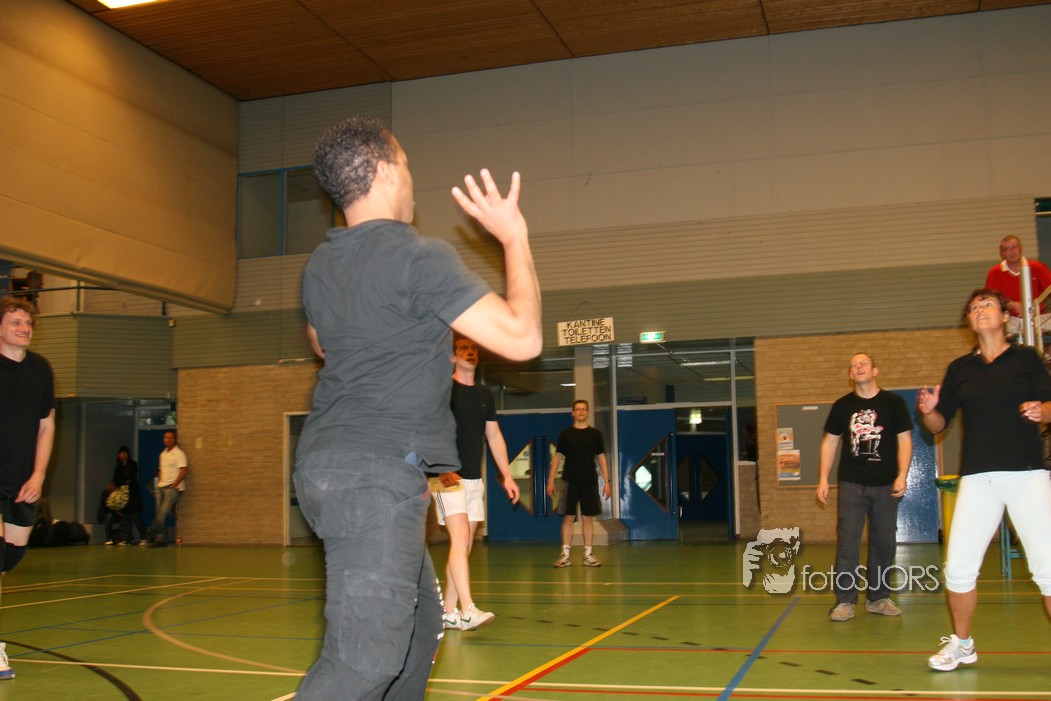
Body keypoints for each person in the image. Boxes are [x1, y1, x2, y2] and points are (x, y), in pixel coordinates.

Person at [293, 115, 542, 700]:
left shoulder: (320, 264)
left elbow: (322, 342)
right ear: (385, 171)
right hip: (371, 476)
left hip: (328, 465)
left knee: (419, 629)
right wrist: (514, 237)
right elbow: (523, 337)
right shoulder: (416, 256)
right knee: (364, 662)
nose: (411, 179)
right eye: (405, 164)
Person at [917, 288, 1051, 671]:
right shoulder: (961, 369)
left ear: (1005, 317)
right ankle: (962, 645)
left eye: (987, 304)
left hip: (1027, 474)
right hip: (977, 479)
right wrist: (928, 411)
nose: (979, 310)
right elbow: (937, 425)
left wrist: (1041, 411)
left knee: (1048, 568)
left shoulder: (1027, 358)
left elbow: (1050, 406)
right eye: (974, 307)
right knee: (958, 567)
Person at [432, 336, 520, 632]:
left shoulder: (484, 394)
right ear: (452, 357)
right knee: (459, 540)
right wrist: (441, 467)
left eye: (473, 349)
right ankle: (468, 608)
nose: (470, 352)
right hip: (447, 478)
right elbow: (428, 428)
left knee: (465, 545)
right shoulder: (443, 390)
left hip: (473, 478)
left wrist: (507, 475)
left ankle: (448, 612)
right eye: (463, 349)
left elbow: (493, 436)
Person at [816, 353, 912, 622]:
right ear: (850, 375)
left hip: (885, 485)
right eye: (853, 365)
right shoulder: (842, 405)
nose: (858, 367)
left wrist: (902, 475)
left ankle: (878, 598)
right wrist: (823, 478)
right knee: (848, 541)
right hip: (852, 484)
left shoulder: (893, 403)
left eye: (863, 363)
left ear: (875, 371)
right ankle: (845, 601)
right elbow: (830, 442)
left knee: (884, 542)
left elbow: (905, 440)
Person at [0, 295, 56, 680]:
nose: (24, 328)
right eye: (15, 322)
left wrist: (38, 475)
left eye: (28, 323)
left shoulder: (40, 369)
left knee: (10, 558)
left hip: (22, 482)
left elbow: (46, 425)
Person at [547, 399, 611, 568]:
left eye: (584, 409)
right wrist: (550, 480)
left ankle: (588, 555)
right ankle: (565, 555)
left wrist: (607, 482)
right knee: (568, 518)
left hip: (590, 481)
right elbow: (558, 457)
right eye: (578, 409)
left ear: (587, 413)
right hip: (569, 481)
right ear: (573, 413)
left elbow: (602, 457)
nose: (581, 411)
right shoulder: (565, 434)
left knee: (588, 519)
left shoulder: (596, 434)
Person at [984, 235, 1051, 335]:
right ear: (1002, 253)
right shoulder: (994, 273)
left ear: (1021, 248)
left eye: (1014, 247)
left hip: (1038, 319)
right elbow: (990, 301)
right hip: (1010, 321)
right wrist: (1011, 304)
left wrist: (1037, 306)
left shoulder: (1038, 267)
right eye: (1006, 249)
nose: (1011, 252)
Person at [145, 431, 186, 547]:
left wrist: (175, 485)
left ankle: (151, 533)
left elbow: (183, 470)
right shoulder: (162, 454)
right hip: (161, 487)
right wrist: (158, 484)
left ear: (175, 440)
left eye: (171, 438)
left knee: (163, 512)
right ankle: (161, 539)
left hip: (172, 488)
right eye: (166, 437)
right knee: (159, 513)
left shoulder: (179, 454)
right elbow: (161, 470)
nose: (168, 439)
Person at [103, 446, 145, 545]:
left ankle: (144, 537)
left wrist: (123, 480)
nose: (123, 455)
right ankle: (128, 538)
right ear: (119, 455)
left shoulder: (133, 464)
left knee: (135, 515)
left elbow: (131, 477)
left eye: (125, 453)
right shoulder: (118, 467)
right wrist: (124, 480)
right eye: (121, 453)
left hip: (133, 493)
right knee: (125, 516)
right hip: (123, 494)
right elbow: (116, 480)